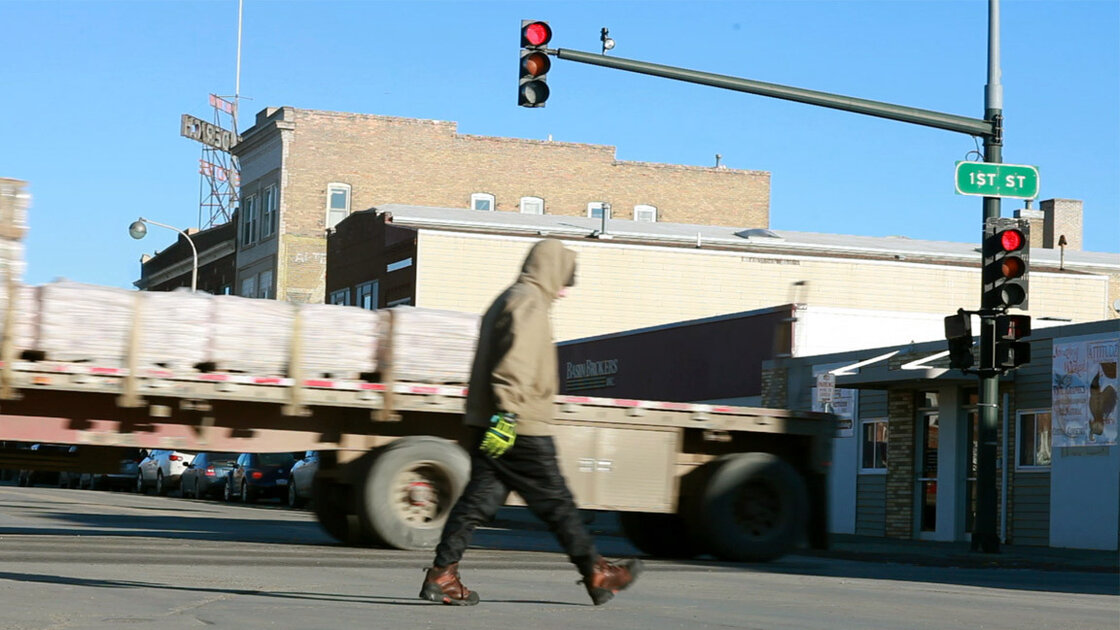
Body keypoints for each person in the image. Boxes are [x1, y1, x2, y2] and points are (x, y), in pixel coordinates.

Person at [420, 238, 642, 607]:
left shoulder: (511, 297)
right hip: (519, 424)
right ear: (550, 271)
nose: (564, 292)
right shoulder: (529, 302)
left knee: (478, 500)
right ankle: (597, 572)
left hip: (491, 420)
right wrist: (509, 415)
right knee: (558, 502)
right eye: (564, 282)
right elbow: (515, 366)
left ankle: (443, 574)